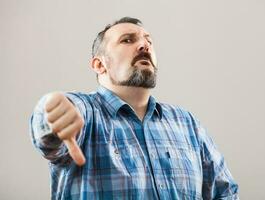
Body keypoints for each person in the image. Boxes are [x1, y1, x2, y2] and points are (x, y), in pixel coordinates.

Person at [30, 17, 239, 200]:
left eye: (148, 40)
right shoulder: (85, 112)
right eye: (128, 40)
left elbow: (226, 192)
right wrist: (52, 114)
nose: (144, 45)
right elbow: (50, 124)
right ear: (99, 65)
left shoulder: (187, 123)